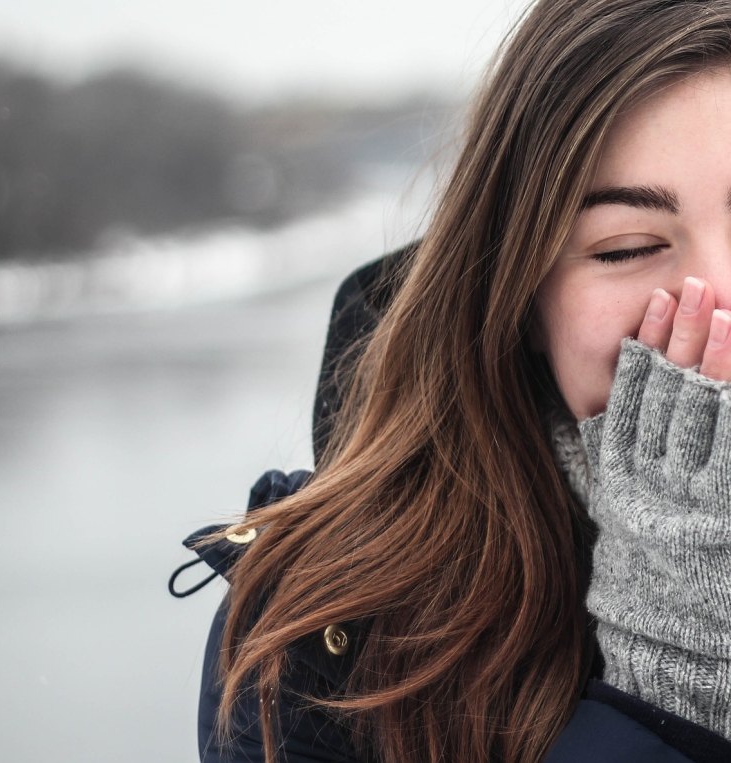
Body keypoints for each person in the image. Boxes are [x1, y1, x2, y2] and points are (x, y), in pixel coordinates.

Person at [173, 0, 731, 760]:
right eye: (625, 247)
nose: (715, 296)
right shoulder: (328, 642)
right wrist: (671, 677)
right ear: (523, 296)